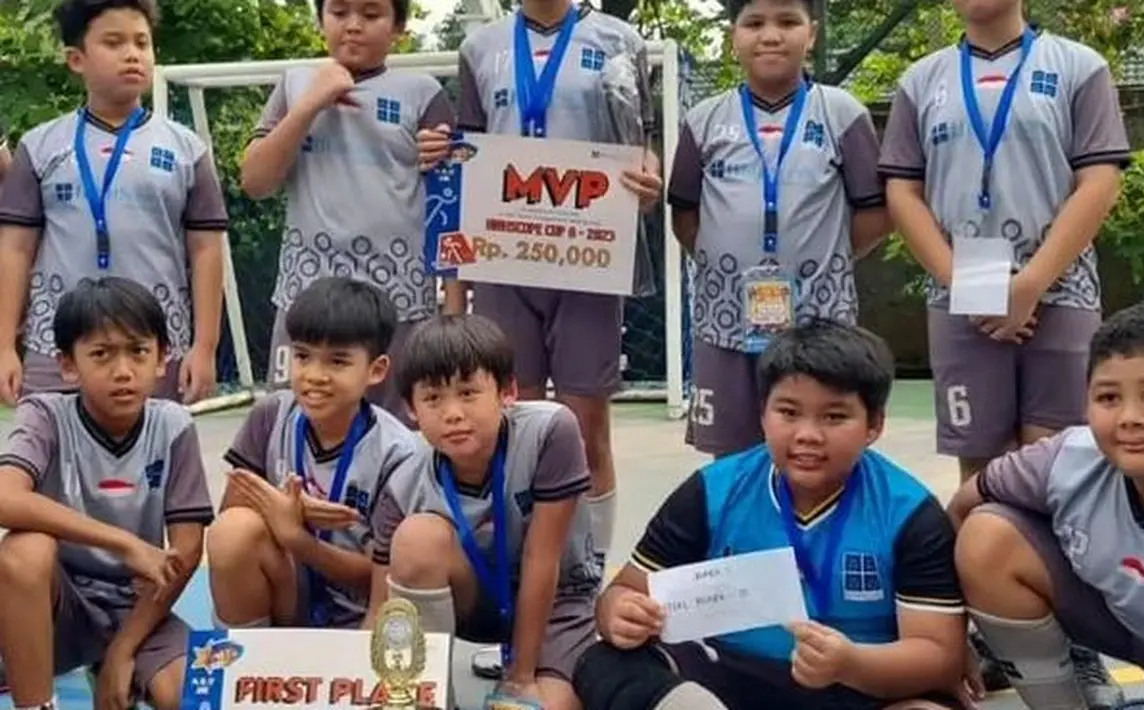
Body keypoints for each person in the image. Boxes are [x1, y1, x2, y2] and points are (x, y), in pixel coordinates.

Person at [877, 0, 1130, 697]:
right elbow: (902, 187)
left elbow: (1099, 177)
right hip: (960, 295)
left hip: (1060, 290)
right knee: (980, 470)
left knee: (1059, 470)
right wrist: (969, 286)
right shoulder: (921, 79)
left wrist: (1030, 284)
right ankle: (983, 639)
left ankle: (1071, 638)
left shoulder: (1078, 67)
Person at [573, 321, 968, 710]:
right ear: (763, 414)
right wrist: (618, 614)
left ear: (874, 425)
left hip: (859, 688)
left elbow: (940, 655)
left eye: (834, 417)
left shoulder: (909, 511)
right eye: (789, 412)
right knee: (605, 662)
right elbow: (626, 590)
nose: (807, 434)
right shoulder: (712, 491)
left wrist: (849, 663)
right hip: (728, 681)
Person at [415, 0, 665, 565]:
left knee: (585, 425)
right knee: (510, 422)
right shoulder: (480, 47)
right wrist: (440, 151)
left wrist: (651, 173)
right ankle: (519, 562)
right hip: (506, 253)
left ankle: (589, 568)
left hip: (587, 254)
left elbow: (641, 141)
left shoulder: (621, 40)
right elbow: (470, 150)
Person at [948, 302, 1144, 710]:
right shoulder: (1065, 460)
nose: (1130, 417)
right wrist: (949, 637)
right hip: (1124, 626)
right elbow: (960, 509)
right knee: (987, 536)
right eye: (1108, 397)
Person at [668, 0, 890, 458]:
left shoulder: (842, 114)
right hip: (725, 320)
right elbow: (685, 216)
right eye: (754, 23)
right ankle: (737, 533)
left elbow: (875, 213)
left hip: (818, 318)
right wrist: (729, 262)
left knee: (815, 448)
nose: (770, 35)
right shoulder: (703, 120)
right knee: (731, 455)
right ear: (734, 37)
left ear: (811, 33)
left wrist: (825, 259)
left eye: (787, 22)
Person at [240, 0, 461, 426]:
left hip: (398, 301)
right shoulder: (295, 83)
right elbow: (255, 181)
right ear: (321, 18)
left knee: (395, 430)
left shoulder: (424, 93)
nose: (353, 26)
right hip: (307, 296)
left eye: (371, 14)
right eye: (339, 13)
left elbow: (449, 209)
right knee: (296, 425)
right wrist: (309, 105)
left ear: (399, 26)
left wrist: (451, 312)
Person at [0, 276, 214, 710]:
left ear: (161, 359)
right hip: (59, 604)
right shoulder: (44, 414)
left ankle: (111, 659)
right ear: (67, 365)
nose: (122, 371)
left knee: (189, 697)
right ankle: (35, 701)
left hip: (139, 605)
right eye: (101, 354)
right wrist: (124, 542)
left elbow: (187, 552)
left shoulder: (173, 426)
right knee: (26, 550)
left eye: (138, 352)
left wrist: (122, 651)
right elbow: (5, 497)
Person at [367, 314, 601, 710]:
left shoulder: (550, 431)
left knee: (543, 706)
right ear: (411, 409)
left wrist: (521, 679)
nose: (453, 413)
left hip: (558, 602)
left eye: (468, 392)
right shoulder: (401, 476)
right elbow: (381, 606)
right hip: (474, 605)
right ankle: (433, 696)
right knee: (417, 539)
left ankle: (534, 670)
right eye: (433, 398)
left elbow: (542, 558)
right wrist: (357, 684)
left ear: (507, 391)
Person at [0, 0, 226, 407]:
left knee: (151, 464)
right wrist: (3, 348)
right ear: (76, 59)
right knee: (52, 463)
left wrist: (205, 346)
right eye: (114, 42)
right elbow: (15, 249)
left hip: (155, 348)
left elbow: (207, 250)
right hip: (58, 346)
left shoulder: (187, 150)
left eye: (142, 42)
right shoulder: (39, 147)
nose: (132, 54)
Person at [207, 277, 425, 630]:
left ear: (377, 369)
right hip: (289, 591)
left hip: (363, 613)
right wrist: (282, 506)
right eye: (303, 356)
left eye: (337, 362)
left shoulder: (398, 453)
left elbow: (386, 578)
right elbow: (230, 513)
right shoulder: (272, 415)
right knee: (232, 532)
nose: (314, 376)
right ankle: (246, 667)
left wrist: (297, 536)